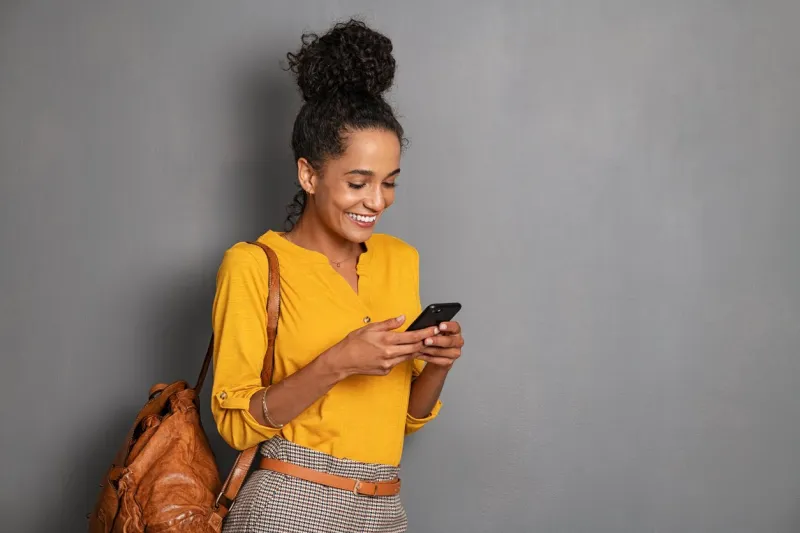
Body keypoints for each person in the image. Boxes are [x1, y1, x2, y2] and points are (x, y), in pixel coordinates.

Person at [210, 18, 464, 533]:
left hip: (384, 508)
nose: (376, 201)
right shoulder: (254, 265)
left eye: (389, 182)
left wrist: (437, 365)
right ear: (309, 174)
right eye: (357, 182)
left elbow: (404, 419)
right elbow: (236, 425)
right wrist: (339, 362)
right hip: (289, 506)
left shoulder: (399, 258)